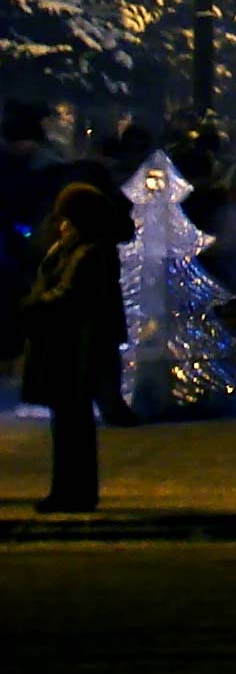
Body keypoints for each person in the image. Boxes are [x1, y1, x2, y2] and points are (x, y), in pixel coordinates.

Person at [18, 184, 117, 513]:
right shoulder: (72, 248)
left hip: (74, 350)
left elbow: (69, 297)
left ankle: (72, 492)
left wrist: (30, 308)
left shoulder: (87, 252)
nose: (60, 225)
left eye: (66, 219)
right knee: (69, 424)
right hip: (66, 348)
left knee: (72, 425)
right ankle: (70, 490)